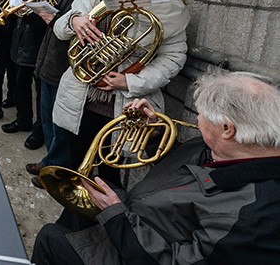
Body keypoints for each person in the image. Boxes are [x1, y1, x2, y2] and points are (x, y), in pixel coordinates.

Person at [32, 71, 280, 264]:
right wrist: (152, 133)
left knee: (50, 238)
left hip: (142, 247)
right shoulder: (237, 148)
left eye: (202, 114)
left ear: (228, 129)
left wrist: (117, 217)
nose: (197, 119)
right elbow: (186, 171)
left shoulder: (256, 217)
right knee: (84, 197)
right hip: (143, 220)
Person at [48, 0, 190, 186]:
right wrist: (74, 21)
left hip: (125, 104)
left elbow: (174, 58)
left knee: (110, 174)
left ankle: (106, 218)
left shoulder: (169, 5)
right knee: (74, 161)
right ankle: (73, 219)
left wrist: (131, 81)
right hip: (80, 97)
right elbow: (60, 29)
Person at [26, 0, 107, 182]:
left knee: (61, 126)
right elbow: (62, 22)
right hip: (50, 60)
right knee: (51, 120)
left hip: (66, 65)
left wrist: (56, 14)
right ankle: (50, 162)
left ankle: (56, 171)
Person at [2, 0, 62, 144]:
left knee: (40, 94)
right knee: (20, 86)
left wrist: (24, 13)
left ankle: (39, 131)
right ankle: (23, 120)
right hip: (20, 43)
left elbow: (49, 22)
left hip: (39, 47)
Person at [0, 0, 23, 108]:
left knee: (12, 68)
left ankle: (11, 96)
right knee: (5, 63)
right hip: (3, 27)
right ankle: (6, 93)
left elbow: (14, 4)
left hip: (12, 27)